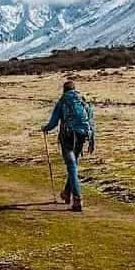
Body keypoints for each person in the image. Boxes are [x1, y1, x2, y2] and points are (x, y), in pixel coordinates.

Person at [41, 80, 95, 212]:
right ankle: (66, 193)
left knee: (71, 166)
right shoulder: (83, 100)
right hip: (82, 135)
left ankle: (77, 199)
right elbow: (91, 121)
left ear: (64, 90)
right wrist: (92, 139)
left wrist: (45, 128)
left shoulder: (63, 101)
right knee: (74, 164)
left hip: (68, 135)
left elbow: (53, 122)